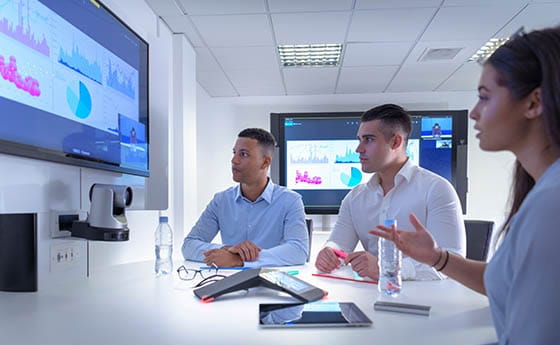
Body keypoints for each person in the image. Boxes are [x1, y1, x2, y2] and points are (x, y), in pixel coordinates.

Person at [370, 26, 560, 345]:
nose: (473, 112)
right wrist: (437, 258)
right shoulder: (542, 193)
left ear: (534, 103)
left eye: (485, 97)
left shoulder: (550, 205)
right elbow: (507, 283)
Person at [315, 104, 466, 281]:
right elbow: (339, 243)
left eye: (369, 140)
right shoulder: (355, 197)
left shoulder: (437, 189)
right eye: (359, 140)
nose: (359, 149)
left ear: (395, 142)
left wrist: (389, 268)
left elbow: (453, 260)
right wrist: (329, 252)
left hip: (426, 303)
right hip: (369, 298)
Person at [182, 128, 309, 267]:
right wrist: (227, 250)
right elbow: (188, 245)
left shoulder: (290, 201)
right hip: (226, 283)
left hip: (272, 283)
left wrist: (240, 260)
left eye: (243, 154)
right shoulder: (221, 201)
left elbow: (298, 251)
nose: (234, 160)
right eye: (234, 153)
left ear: (265, 162)